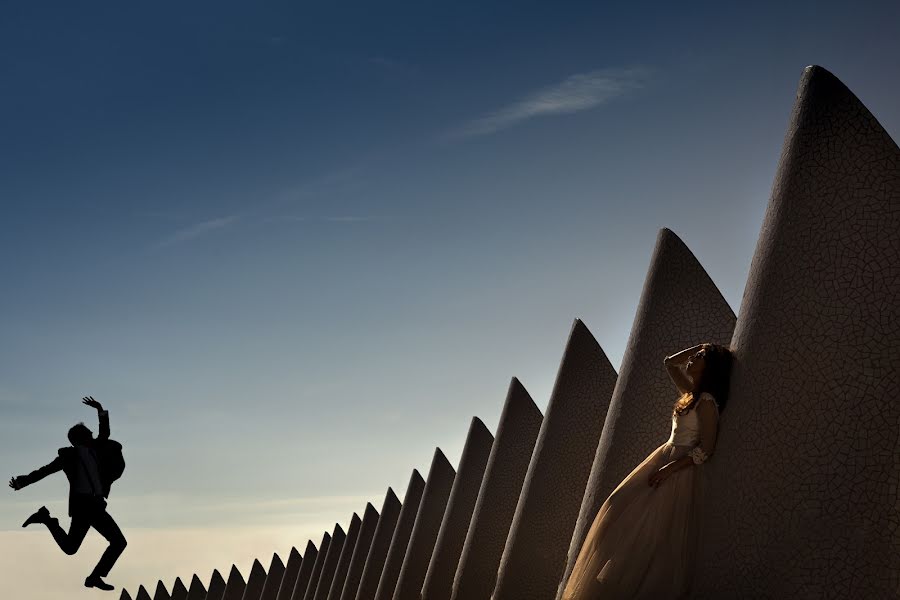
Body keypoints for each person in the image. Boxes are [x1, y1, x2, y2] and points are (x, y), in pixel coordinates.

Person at [561, 342, 734, 600]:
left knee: (653, 538)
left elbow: (706, 449)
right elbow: (669, 363)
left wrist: (670, 469)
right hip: (663, 457)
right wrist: (699, 349)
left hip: (678, 471)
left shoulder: (707, 401)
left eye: (700, 357)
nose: (694, 357)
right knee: (616, 507)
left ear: (709, 368)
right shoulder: (691, 393)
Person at [8, 396, 127, 592]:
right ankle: (49, 521)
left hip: (95, 505)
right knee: (109, 543)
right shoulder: (68, 456)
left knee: (93, 545)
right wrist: (23, 482)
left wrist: (100, 409)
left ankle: (93, 576)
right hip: (83, 507)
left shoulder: (96, 449)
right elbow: (45, 470)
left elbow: (104, 432)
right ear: (81, 438)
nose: (93, 434)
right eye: (89, 433)